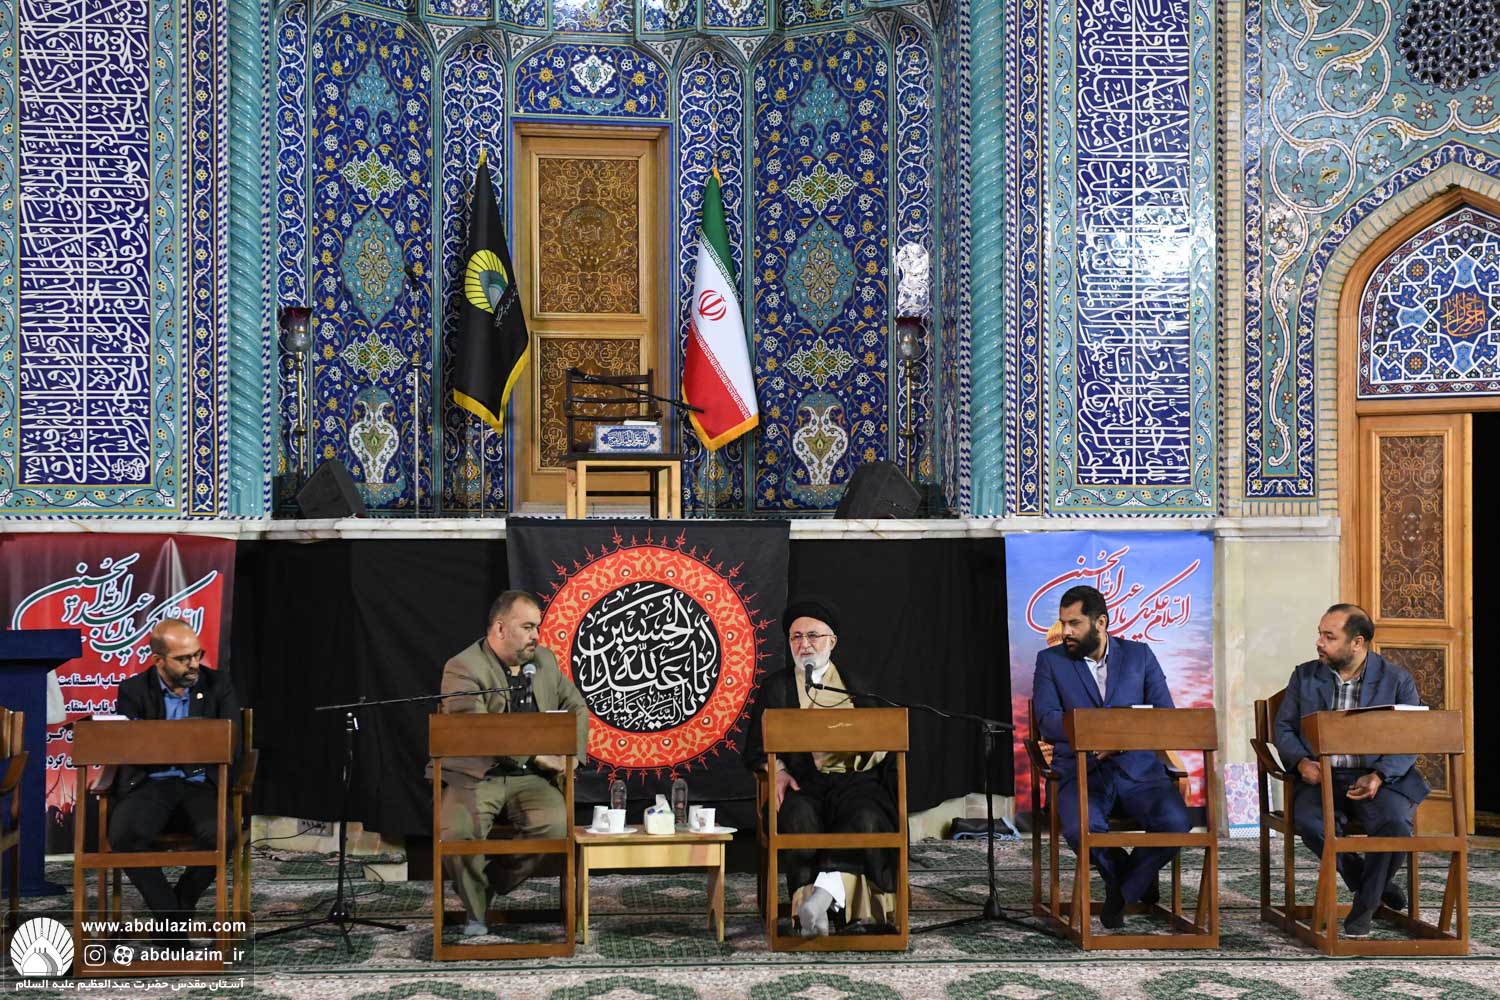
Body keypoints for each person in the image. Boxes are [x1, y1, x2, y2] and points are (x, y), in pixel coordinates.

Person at [430, 590, 589, 937]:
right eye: (528, 627)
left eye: (537, 627)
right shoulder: (463, 668)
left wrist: (571, 757)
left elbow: (576, 705)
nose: (536, 636)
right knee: (457, 833)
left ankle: (487, 887)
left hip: (530, 779)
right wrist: (536, 755)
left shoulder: (543, 661)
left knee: (555, 826)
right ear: (500, 629)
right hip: (476, 774)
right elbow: (477, 732)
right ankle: (475, 914)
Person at [1031, 585, 1191, 929]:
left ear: (1100, 622)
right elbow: (1047, 719)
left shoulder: (1140, 656)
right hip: (1080, 770)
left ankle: (1122, 891)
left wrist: (1119, 742)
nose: (1066, 631)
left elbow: (1164, 715)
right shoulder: (1051, 661)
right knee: (1082, 829)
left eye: (1074, 623)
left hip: (1139, 769)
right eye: (1063, 623)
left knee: (1176, 824)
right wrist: (1097, 735)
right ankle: (1133, 878)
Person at [743, 598, 898, 937]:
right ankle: (808, 911)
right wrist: (778, 771)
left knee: (866, 817)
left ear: (832, 641)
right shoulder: (776, 688)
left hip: (856, 784)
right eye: (796, 637)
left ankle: (828, 903)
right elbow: (755, 748)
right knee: (798, 815)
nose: (805, 644)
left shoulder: (858, 684)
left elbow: (886, 739)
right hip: (804, 784)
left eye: (813, 635)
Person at [1273, 603, 1426, 938]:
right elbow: (1283, 728)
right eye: (1320, 634)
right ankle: (1372, 886)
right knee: (1311, 824)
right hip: (1321, 777)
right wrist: (1301, 762)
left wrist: (1379, 775)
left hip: (1376, 778)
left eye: (1329, 637)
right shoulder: (1305, 676)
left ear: (1357, 643)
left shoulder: (1396, 680)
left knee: (1395, 824)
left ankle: (1364, 908)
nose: (1319, 642)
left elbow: (1412, 738)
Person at [109, 618, 241, 930]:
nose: (194, 664)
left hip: (201, 783)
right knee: (124, 836)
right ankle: (172, 917)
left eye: (197, 654)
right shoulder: (133, 690)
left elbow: (229, 742)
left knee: (223, 836)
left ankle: (178, 908)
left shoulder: (218, 684)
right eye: (183, 659)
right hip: (150, 784)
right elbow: (128, 748)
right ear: (158, 660)